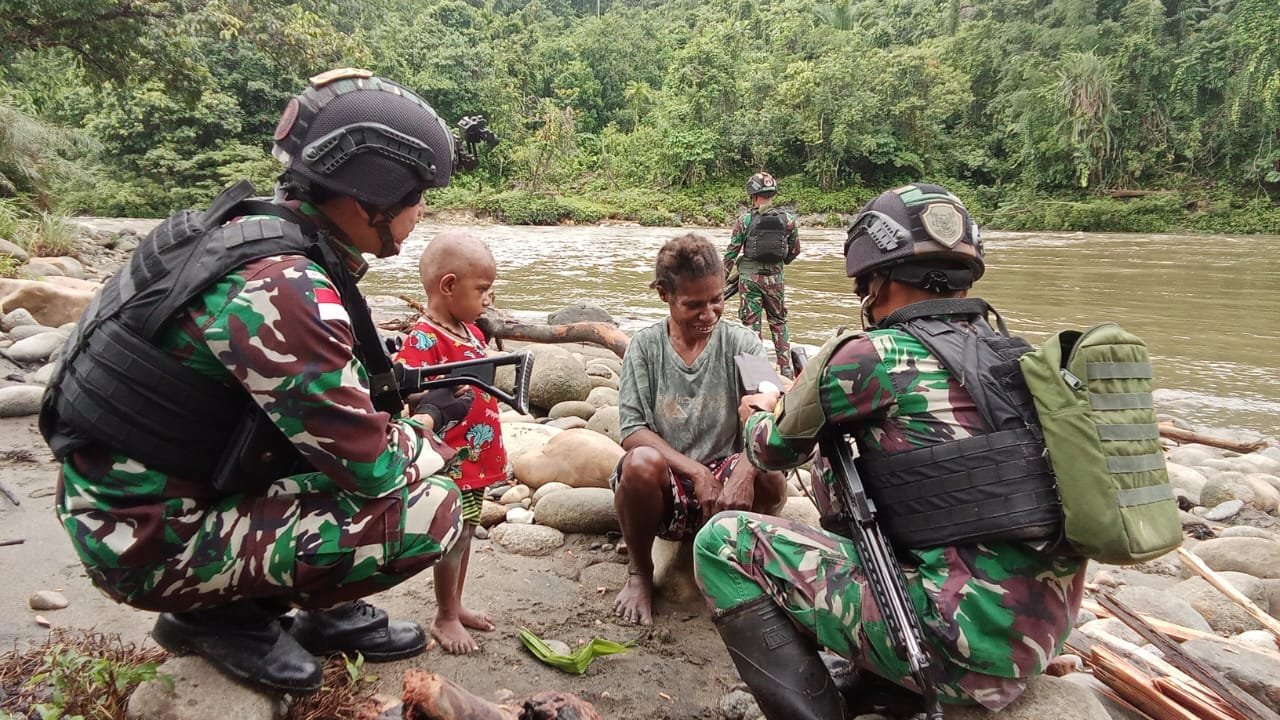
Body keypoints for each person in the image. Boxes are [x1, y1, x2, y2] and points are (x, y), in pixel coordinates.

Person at [39, 68, 481, 694]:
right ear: (368, 202)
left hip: (122, 498)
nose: (421, 213)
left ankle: (322, 615)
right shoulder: (284, 286)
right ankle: (219, 614)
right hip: (144, 540)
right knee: (434, 507)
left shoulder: (235, 232)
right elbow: (373, 467)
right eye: (416, 198)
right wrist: (430, 423)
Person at [694, 183, 1087, 719]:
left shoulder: (871, 356)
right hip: (1035, 639)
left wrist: (759, 411)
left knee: (721, 542)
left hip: (954, 652)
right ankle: (877, 679)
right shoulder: (1017, 356)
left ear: (873, 281)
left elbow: (770, 449)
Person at [612, 233, 788, 626]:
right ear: (664, 295)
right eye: (694, 305)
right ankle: (641, 574)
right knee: (638, 463)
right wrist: (696, 472)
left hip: (725, 489)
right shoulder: (645, 347)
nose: (708, 314)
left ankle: (742, 567)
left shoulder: (741, 341)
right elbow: (633, 430)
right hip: (668, 481)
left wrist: (746, 467)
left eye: (716, 301)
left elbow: (767, 403)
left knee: (772, 477)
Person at [394, 230, 504, 654]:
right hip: (450, 459)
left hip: (475, 456)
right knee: (452, 535)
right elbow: (409, 391)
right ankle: (443, 615)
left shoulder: (469, 330)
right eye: (482, 290)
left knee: (468, 529)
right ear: (449, 286)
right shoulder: (426, 336)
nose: (488, 299)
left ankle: (455, 605)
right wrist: (435, 395)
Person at [723, 172, 801, 379]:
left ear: (753, 195)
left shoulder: (745, 220)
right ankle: (786, 370)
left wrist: (721, 281)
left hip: (749, 281)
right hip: (776, 279)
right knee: (779, 322)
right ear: (772, 193)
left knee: (750, 326)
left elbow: (731, 254)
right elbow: (794, 251)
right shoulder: (789, 220)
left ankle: (755, 372)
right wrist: (780, 264)